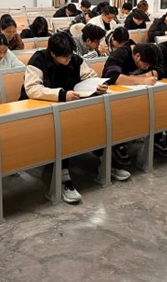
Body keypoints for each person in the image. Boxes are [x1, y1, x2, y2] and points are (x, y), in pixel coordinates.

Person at [19, 32, 127, 204]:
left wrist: (99, 85)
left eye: (70, 54)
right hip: (41, 111)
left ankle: (107, 160)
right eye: (65, 56)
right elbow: (32, 89)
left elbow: (90, 76)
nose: (69, 59)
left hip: (68, 108)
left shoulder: (74, 59)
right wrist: (61, 95)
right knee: (64, 130)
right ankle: (64, 177)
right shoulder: (38, 60)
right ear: (53, 53)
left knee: (95, 123)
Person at [103, 41, 163, 165]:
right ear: (137, 56)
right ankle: (118, 145)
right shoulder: (120, 54)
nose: (146, 68)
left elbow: (160, 70)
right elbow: (112, 77)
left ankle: (155, 138)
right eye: (145, 65)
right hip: (115, 99)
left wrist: (144, 76)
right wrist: (143, 80)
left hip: (137, 96)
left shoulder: (146, 53)